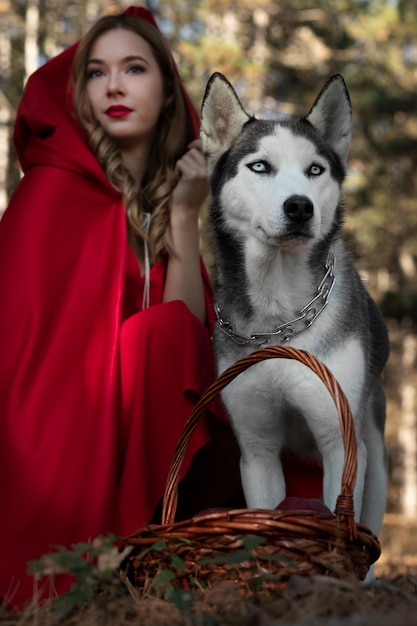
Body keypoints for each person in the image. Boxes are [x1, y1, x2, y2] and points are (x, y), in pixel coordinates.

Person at [0, 6, 244, 608]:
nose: (113, 85)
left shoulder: (160, 207)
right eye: (96, 72)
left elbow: (184, 344)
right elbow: (22, 370)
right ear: (79, 95)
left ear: (166, 92)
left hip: (138, 457)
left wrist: (184, 214)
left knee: (166, 335)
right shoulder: (50, 195)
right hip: (50, 457)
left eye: (134, 69)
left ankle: (156, 550)